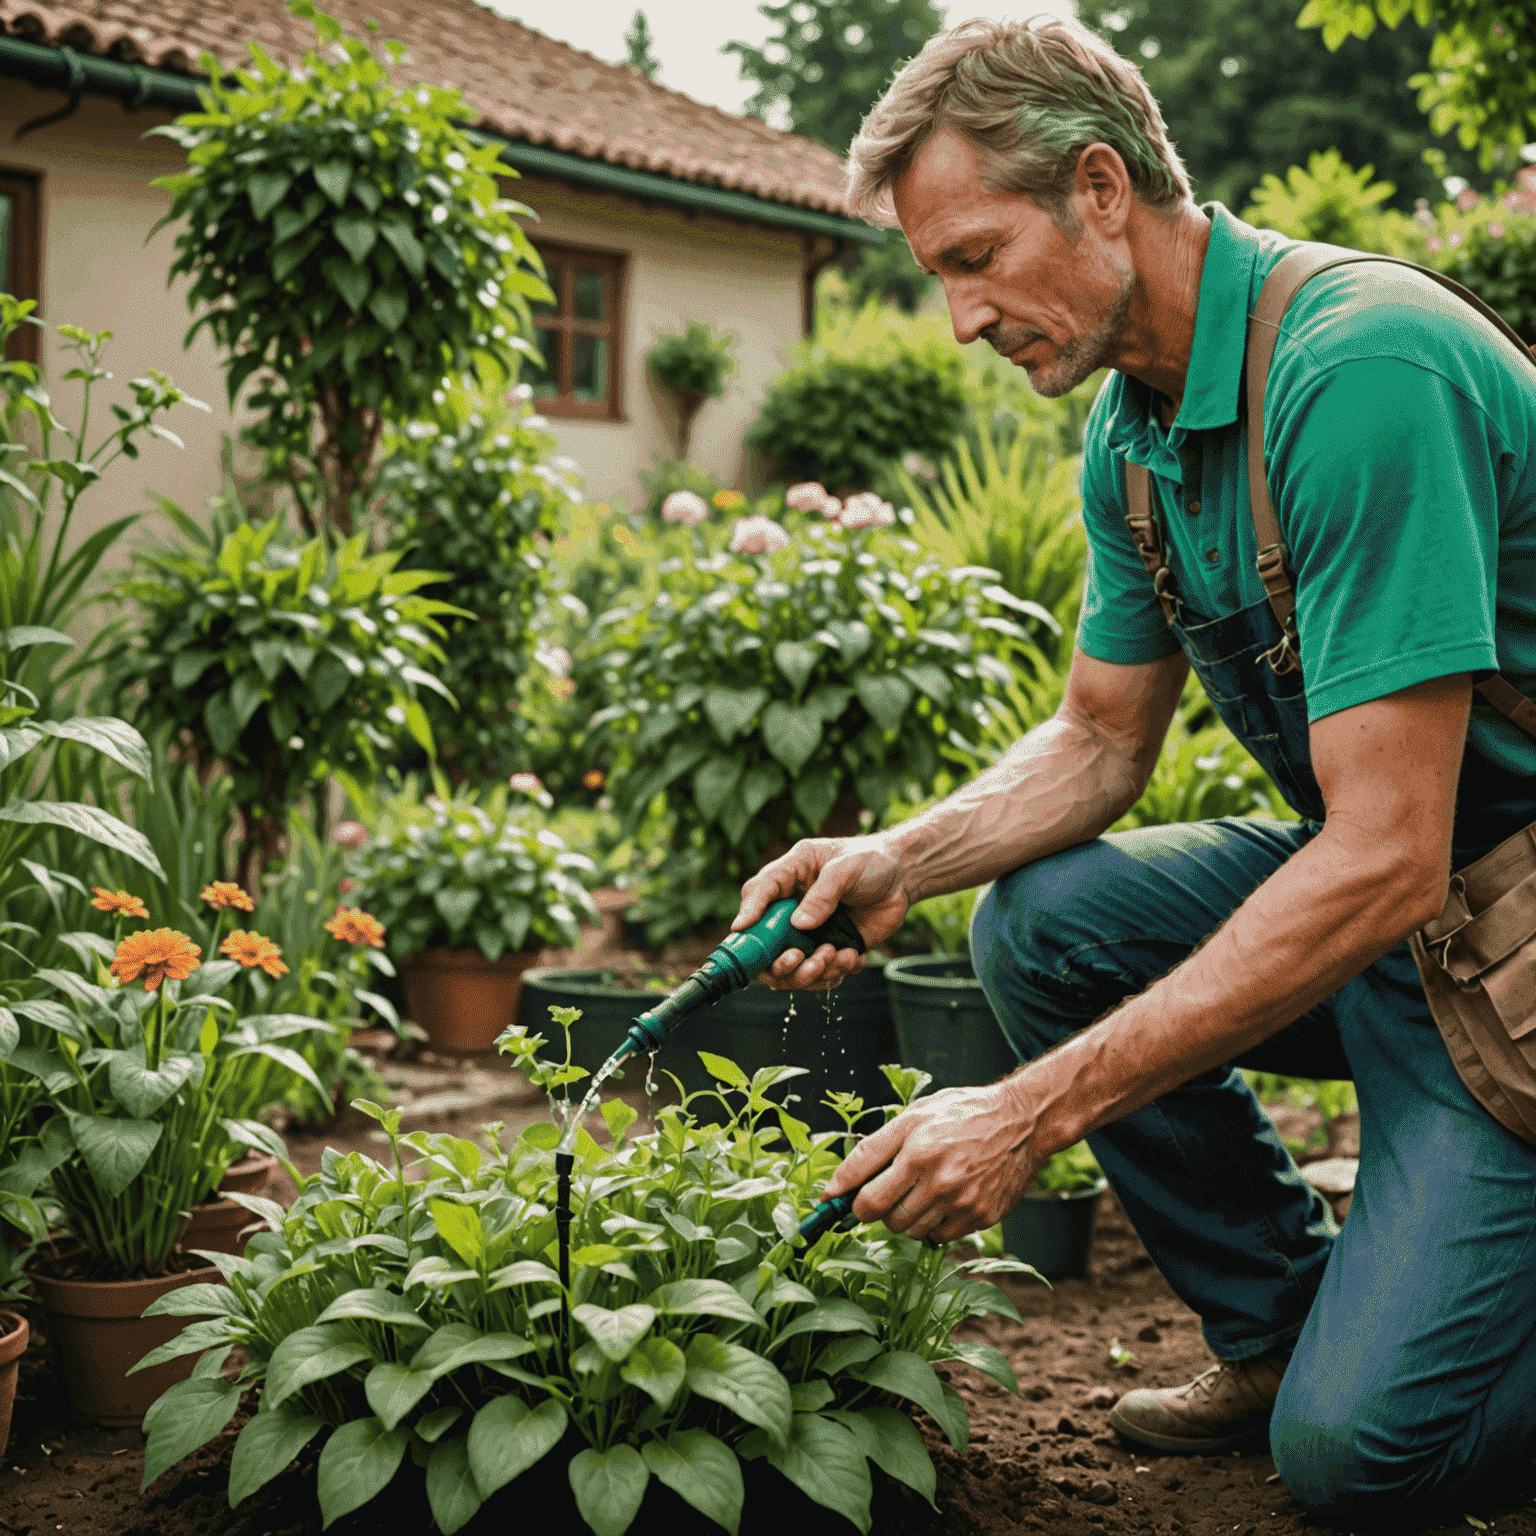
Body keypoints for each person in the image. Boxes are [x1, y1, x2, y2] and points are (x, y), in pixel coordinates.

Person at [728, 13, 1536, 1522]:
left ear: (1101, 188)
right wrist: (902, 856)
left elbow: (1385, 855)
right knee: (1041, 921)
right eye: (937, 276)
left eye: (975, 256)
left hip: (1505, 943)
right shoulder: (1136, 423)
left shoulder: (1362, 373)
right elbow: (1103, 739)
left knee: (1365, 1461)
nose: (961, 317)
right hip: (1414, 923)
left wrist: (1028, 1114)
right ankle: (1286, 1326)